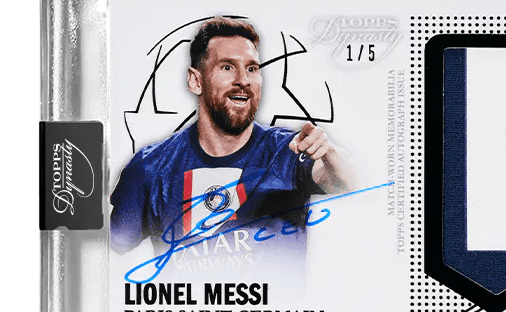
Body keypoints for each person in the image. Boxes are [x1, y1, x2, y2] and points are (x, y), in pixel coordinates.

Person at [110, 17, 355, 267]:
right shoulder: (151, 167)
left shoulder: (288, 152)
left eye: (252, 69)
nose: (243, 80)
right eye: (227, 67)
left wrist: (328, 152)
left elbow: (348, 182)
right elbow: (107, 251)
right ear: (196, 81)